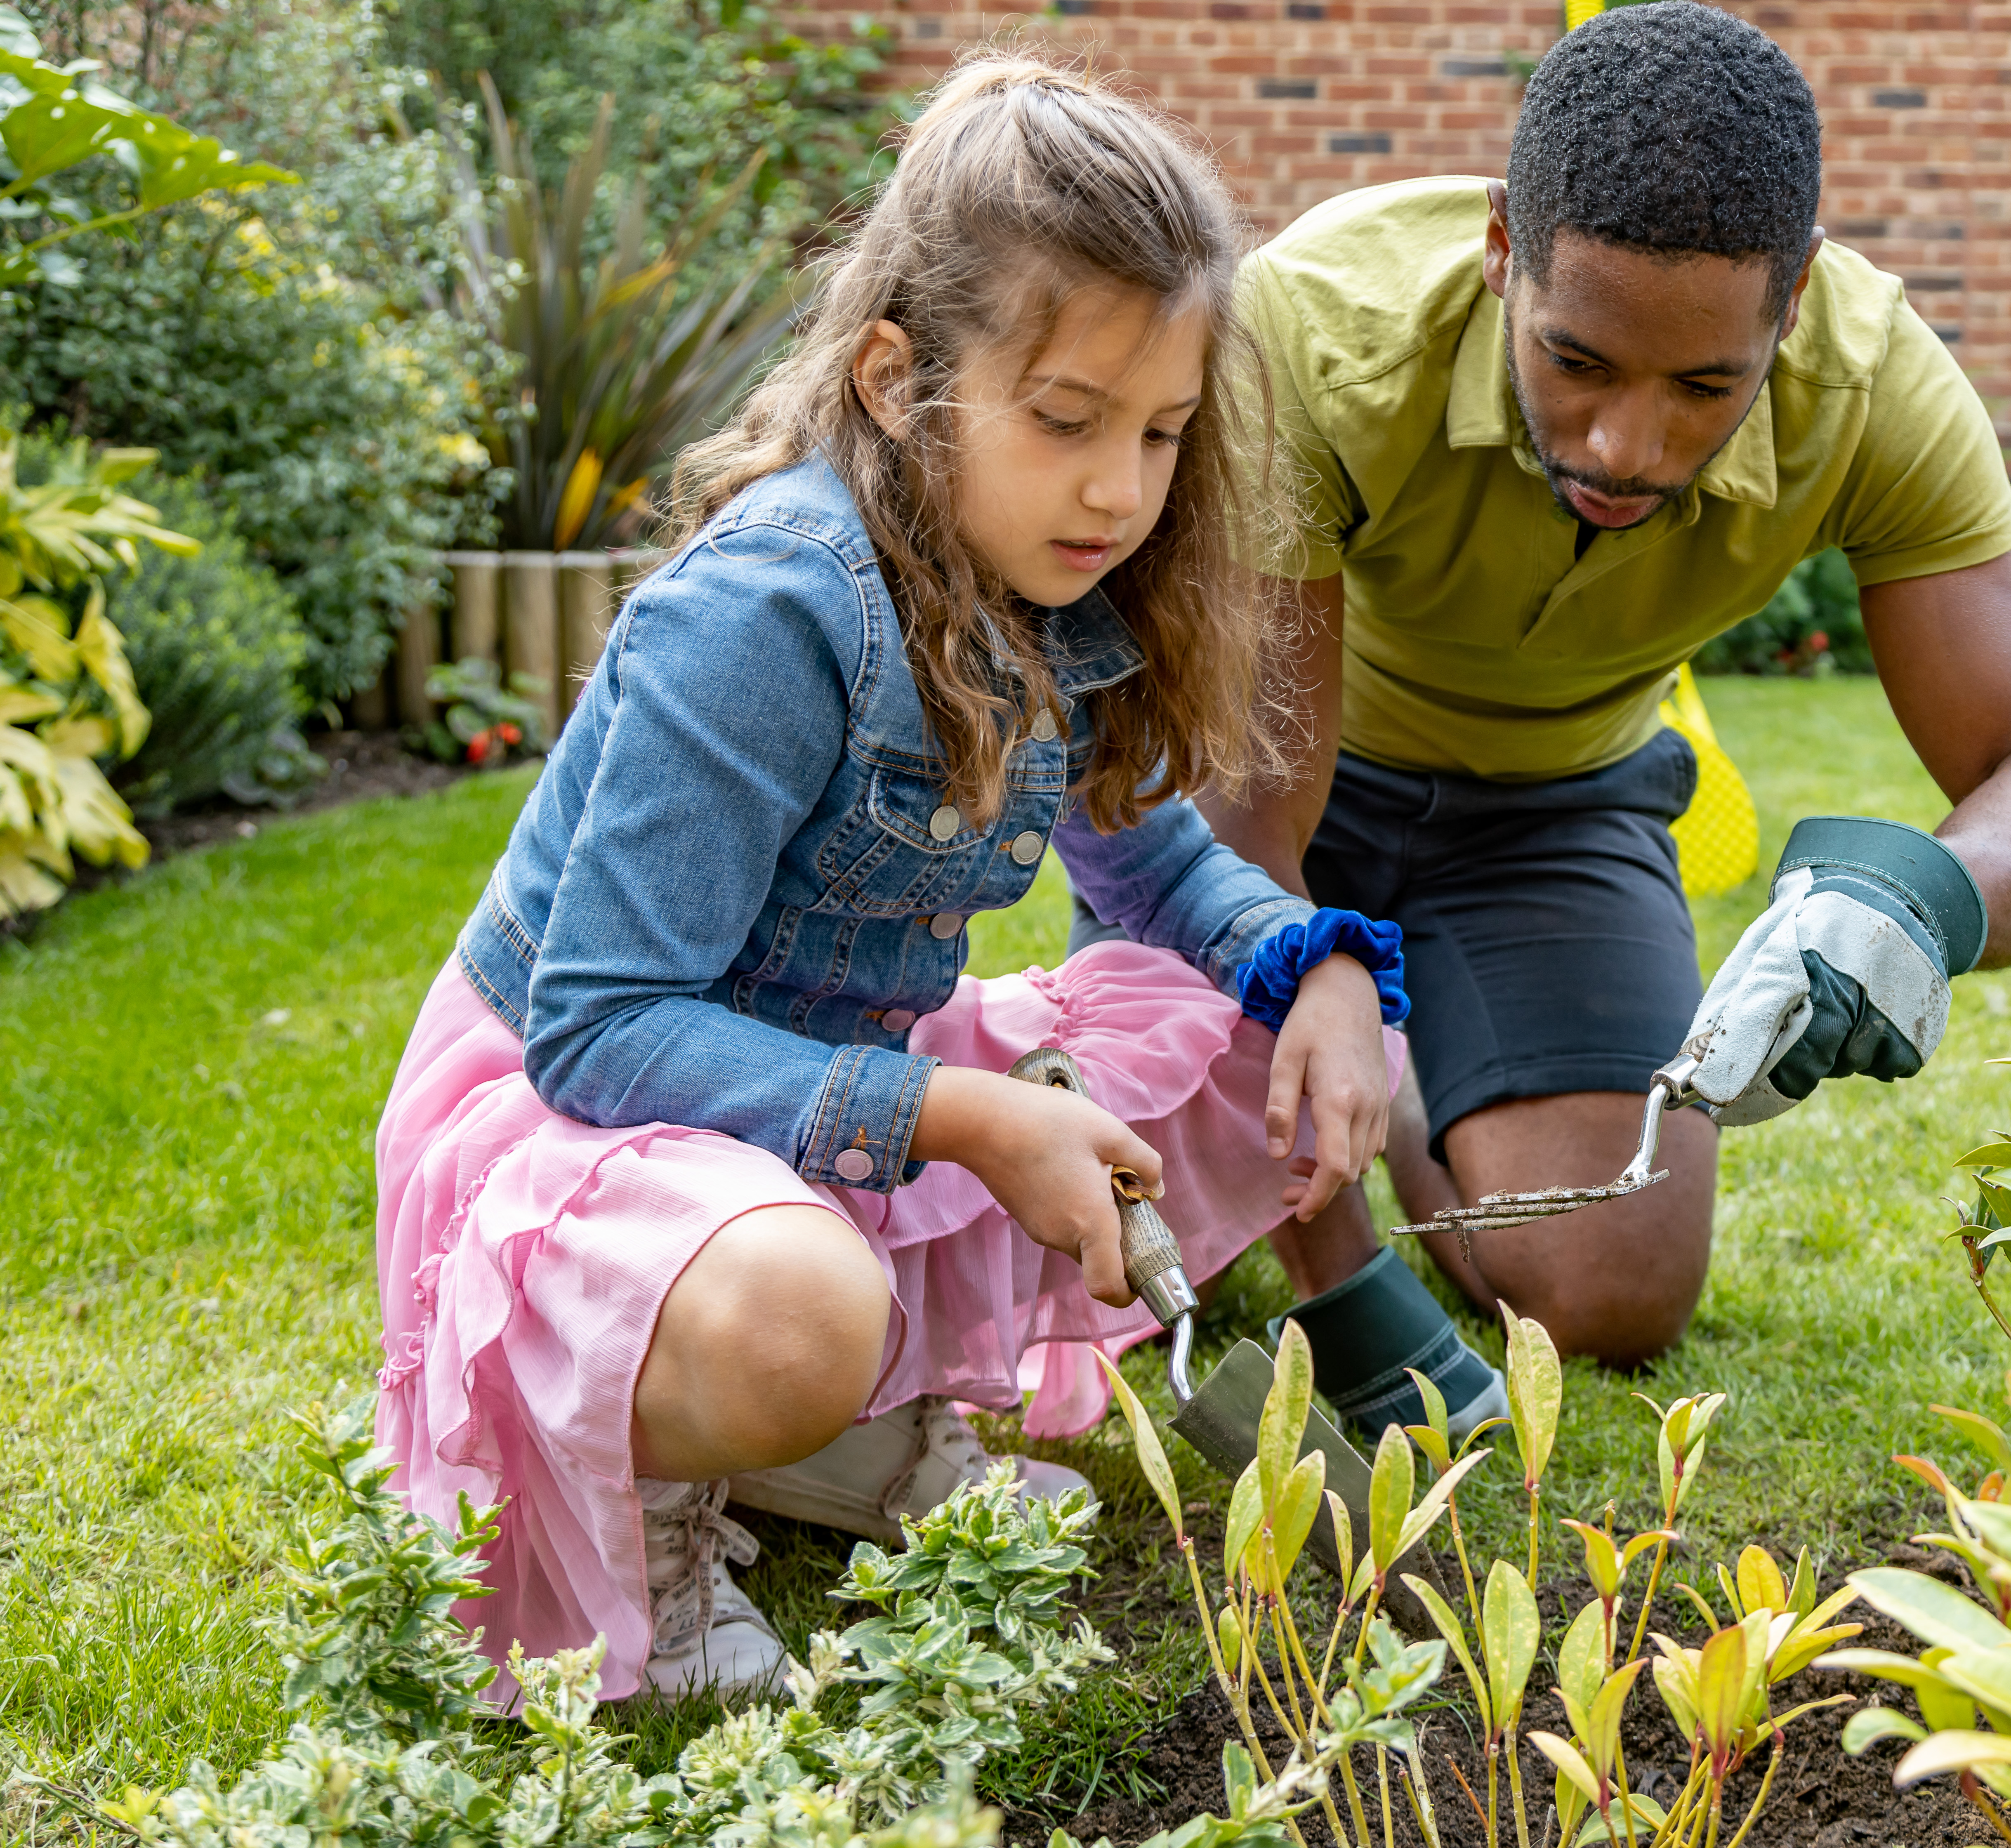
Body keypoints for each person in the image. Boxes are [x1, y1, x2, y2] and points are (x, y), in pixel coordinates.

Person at [368, 54, 1494, 1706]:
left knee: (1268, 1024)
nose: (1122, 488)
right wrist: (971, 1119)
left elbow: (1158, 861)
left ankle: (825, 1442)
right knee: (796, 1307)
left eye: (1164, 431)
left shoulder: (1049, 591)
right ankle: (675, 1469)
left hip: (802, 1096)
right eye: (1068, 420)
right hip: (581, 1127)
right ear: (900, 382)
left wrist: (1313, 964)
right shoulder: (770, 610)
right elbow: (598, 1028)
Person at [1077, 2, 2011, 1382]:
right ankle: (1359, 1051)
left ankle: (1392, 1087)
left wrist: (1923, 897)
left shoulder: (1877, 394)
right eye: (1577, 361)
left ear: (1791, 300)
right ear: (1506, 250)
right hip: (1276, 794)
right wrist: (1344, 1284)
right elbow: (1252, 819)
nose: (1628, 445)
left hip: (1554, 807)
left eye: (1705, 384)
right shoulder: (1319, 328)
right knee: (1162, 1209)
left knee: (1613, 1295)